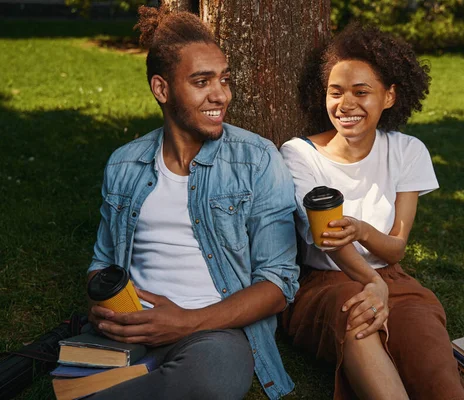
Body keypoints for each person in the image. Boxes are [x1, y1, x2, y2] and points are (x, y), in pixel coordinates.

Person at [86, 5, 299, 400]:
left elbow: (278, 283)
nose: (221, 94)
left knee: (210, 383)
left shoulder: (258, 159)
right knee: (78, 380)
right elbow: (102, 262)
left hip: (214, 331)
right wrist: (101, 302)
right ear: (162, 89)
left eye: (224, 79)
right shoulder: (124, 163)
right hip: (132, 324)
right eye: (202, 82)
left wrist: (186, 323)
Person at [280, 24, 464, 400]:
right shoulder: (298, 154)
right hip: (326, 283)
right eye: (335, 92)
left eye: (361, 92)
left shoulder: (407, 151)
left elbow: (395, 249)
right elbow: (327, 239)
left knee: (434, 366)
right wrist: (370, 283)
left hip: (394, 280)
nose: (346, 105)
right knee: (358, 319)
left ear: (389, 96)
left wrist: (363, 234)